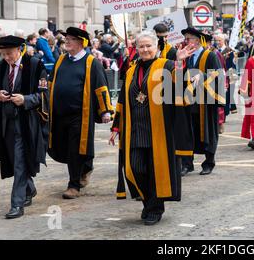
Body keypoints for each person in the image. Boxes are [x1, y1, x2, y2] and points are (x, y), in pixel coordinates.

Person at [109, 31, 195, 225]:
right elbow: (123, 99)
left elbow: (182, 91)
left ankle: (154, 208)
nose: (145, 49)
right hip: (135, 130)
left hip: (158, 130)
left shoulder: (166, 65)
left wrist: (179, 64)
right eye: (141, 46)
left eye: (149, 46)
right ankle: (149, 202)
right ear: (136, 48)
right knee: (136, 168)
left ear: (156, 47)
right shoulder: (131, 70)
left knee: (155, 171)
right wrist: (117, 127)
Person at [48, 27, 114, 198]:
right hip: (59, 114)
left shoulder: (92, 63)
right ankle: (85, 167)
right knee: (63, 146)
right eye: (66, 39)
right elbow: (50, 83)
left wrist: (105, 110)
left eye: (71, 39)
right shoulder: (61, 60)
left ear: (81, 43)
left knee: (75, 149)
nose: (66, 42)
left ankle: (73, 185)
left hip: (80, 115)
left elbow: (101, 87)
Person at [0, 35, 48, 219]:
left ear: (20, 49)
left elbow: (45, 95)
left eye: (9, 54)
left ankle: (17, 204)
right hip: (6, 123)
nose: (6, 58)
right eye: (3, 54)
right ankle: (29, 189)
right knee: (14, 161)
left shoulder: (35, 64)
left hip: (27, 123)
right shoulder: (0, 67)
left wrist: (26, 99)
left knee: (21, 162)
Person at [180, 27, 226, 176]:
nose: (186, 42)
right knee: (187, 133)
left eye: (189, 39)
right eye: (185, 39)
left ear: (198, 41)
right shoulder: (184, 56)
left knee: (208, 132)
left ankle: (209, 163)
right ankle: (187, 164)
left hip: (205, 102)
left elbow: (219, 76)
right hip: (187, 101)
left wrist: (204, 76)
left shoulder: (210, 56)